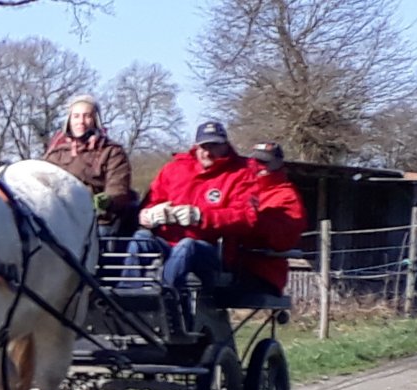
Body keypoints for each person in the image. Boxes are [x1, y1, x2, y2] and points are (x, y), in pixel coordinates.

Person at [122, 121, 259, 289]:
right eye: (203, 146)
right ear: (196, 146)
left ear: (225, 145)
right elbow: (151, 202)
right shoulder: (174, 169)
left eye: (214, 146)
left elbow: (247, 218)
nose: (207, 152)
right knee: (140, 240)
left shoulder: (241, 173)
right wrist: (148, 215)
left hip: (210, 250)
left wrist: (200, 216)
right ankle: (127, 297)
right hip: (167, 242)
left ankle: (167, 299)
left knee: (187, 246)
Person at [43, 94, 137, 236]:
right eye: (76, 116)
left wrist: (108, 201)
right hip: (59, 218)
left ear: (96, 120)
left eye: (87, 116)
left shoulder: (112, 152)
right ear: (69, 120)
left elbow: (118, 188)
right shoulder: (55, 154)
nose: (81, 121)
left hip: (98, 221)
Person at [236, 142, 307, 295]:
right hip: (230, 265)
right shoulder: (239, 189)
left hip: (262, 272)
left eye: (264, 162)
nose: (258, 166)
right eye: (254, 161)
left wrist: (253, 217)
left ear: (278, 163)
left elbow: (284, 241)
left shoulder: (287, 196)